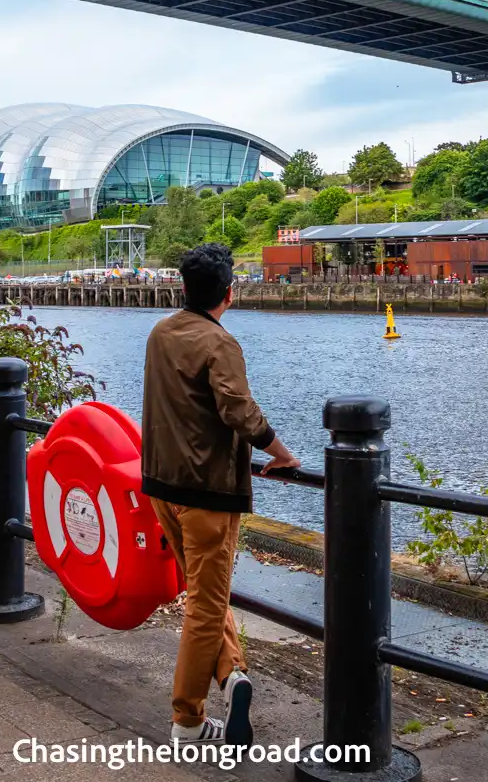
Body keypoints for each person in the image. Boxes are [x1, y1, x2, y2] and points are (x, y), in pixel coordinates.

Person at [142, 242, 300, 746]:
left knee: (203, 593)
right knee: (206, 606)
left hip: (162, 486)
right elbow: (238, 410)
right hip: (208, 493)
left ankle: (232, 675)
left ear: (183, 288)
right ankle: (187, 720)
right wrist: (281, 452)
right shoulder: (219, 343)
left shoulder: (160, 333)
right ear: (229, 294)